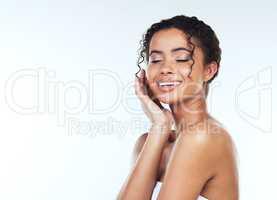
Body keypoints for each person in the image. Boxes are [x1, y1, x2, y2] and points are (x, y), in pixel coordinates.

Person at [117, 15, 239, 200]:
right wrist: (159, 126)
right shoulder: (149, 142)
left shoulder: (203, 137)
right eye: (156, 60)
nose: (165, 69)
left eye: (181, 58)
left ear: (209, 70)